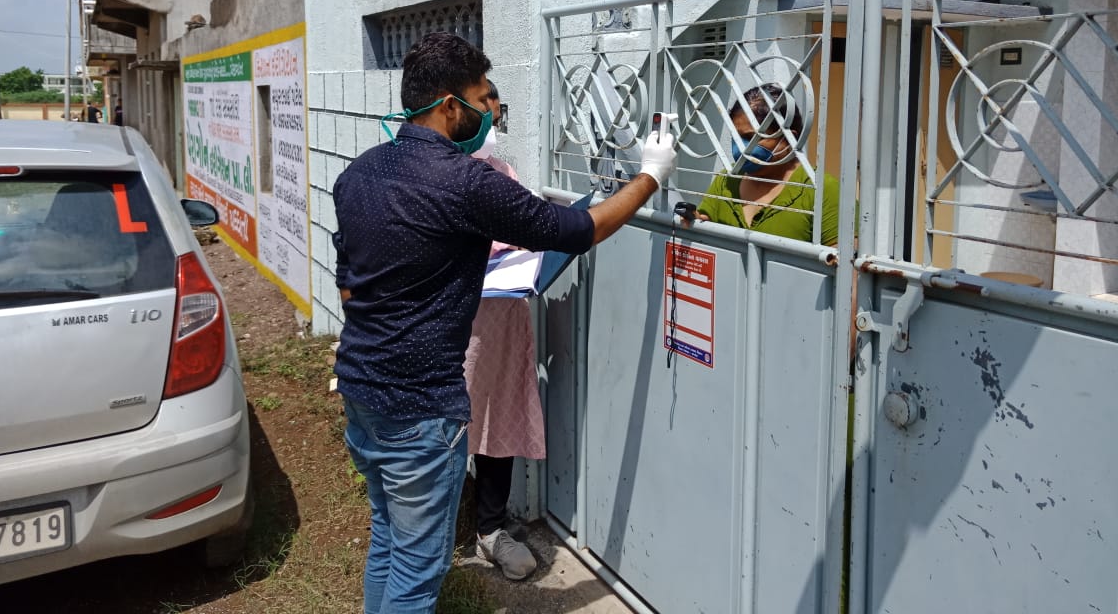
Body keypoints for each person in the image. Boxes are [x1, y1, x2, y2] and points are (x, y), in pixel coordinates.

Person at [332, 32, 676, 614]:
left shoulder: (359, 174)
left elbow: (348, 287)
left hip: (363, 392)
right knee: (417, 573)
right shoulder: (465, 182)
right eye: (484, 98)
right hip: (419, 408)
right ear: (449, 105)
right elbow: (575, 231)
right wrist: (649, 177)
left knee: (389, 540)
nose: (492, 110)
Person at [463, 82, 541, 580]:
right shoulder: (433, 177)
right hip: (459, 332)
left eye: (496, 104)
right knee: (451, 427)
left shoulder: (501, 173)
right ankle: (437, 526)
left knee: (500, 419)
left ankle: (490, 529)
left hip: (505, 321)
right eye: (484, 103)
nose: (493, 112)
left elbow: (527, 230)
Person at [696, 83, 839, 245]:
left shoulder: (822, 190)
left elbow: (843, 263)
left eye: (752, 138)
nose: (741, 147)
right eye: (736, 137)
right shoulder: (726, 182)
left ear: (788, 139)